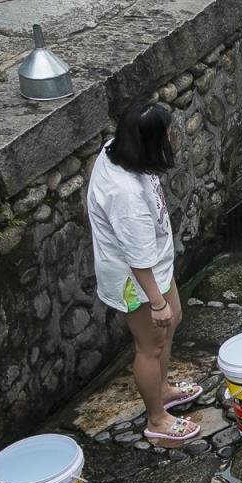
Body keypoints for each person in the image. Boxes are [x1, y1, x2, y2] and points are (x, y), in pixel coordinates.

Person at [86, 101, 203, 443]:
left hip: (154, 265)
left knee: (174, 319)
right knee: (150, 344)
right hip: (135, 281)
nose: (171, 138)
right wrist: (155, 302)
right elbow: (137, 259)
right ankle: (156, 419)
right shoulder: (126, 197)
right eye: (166, 135)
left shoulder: (116, 148)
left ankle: (162, 389)